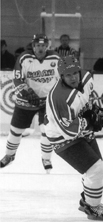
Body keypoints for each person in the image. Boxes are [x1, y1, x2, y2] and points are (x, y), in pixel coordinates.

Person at [45, 55, 103, 221]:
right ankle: (92, 207)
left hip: (81, 130)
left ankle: (87, 199)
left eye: (75, 72)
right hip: (62, 138)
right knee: (96, 170)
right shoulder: (59, 98)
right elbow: (68, 131)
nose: (73, 77)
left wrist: (97, 112)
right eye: (68, 75)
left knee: (96, 170)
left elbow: (86, 101)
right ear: (61, 76)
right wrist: (91, 122)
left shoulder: (87, 78)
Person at [0, 34, 60, 171]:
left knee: (47, 131)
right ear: (33, 46)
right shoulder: (24, 58)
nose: (41, 48)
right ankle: (9, 155)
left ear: (47, 46)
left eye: (43, 45)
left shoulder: (55, 58)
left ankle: (46, 158)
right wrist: (27, 93)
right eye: (38, 45)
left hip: (47, 102)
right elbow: (17, 79)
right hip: (26, 101)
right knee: (16, 130)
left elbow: (62, 78)